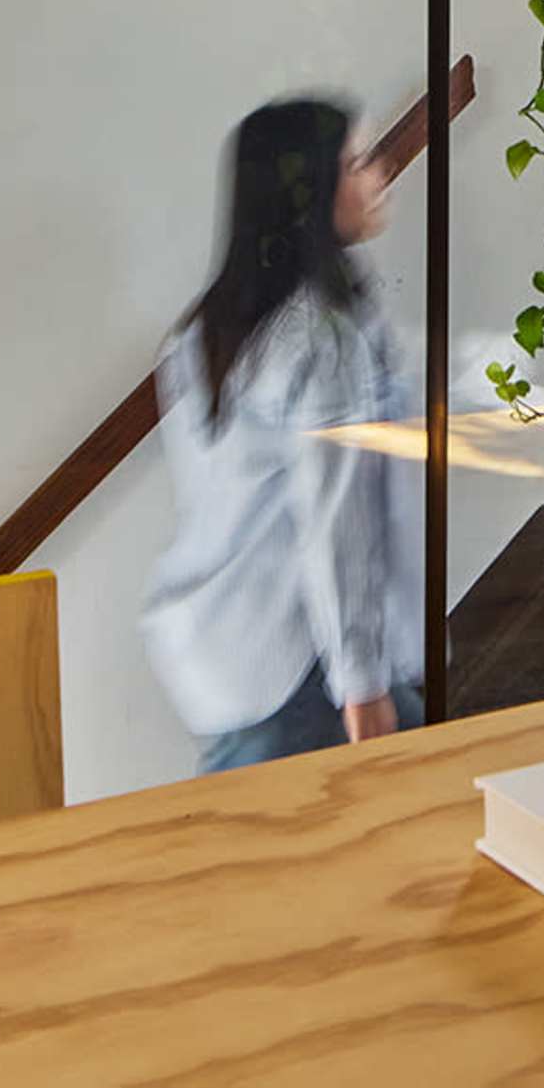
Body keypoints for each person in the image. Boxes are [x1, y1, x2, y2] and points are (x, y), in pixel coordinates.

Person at [140, 96, 425, 773]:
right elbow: (336, 518)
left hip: (221, 651)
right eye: (357, 163)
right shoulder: (320, 338)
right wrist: (363, 685)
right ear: (312, 190)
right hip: (297, 664)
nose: (380, 173)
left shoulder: (201, 331)